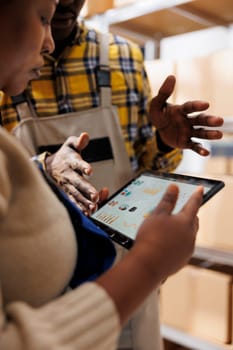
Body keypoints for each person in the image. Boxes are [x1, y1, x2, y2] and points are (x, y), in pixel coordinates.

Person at [0, 1, 224, 350]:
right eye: (42, 16)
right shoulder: (9, 66)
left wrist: (163, 143)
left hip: (125, 280)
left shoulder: (123, 57)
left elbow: (146, 168)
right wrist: (41, 167)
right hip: (37, 298)